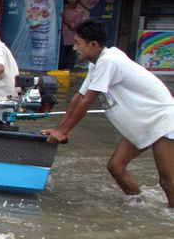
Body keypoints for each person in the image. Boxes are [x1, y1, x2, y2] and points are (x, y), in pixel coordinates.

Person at [42, 18, 174, 207]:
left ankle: (170, 220)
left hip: (162, 121)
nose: (74, 48)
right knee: (116, 167)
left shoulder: (109, 61)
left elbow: (87, 101)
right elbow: (78, 98)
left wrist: (63, 132)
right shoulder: (96, 63)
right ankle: (141, 206)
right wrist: (58, 129)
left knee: (168, 182)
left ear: (94, 44)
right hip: (142, 123)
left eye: (78, 43)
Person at [23, 0, 56, 70]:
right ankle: (35, 70)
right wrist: (32, 23)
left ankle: (42, 70)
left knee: (44, 50)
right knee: (35, 50)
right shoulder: (27, 0)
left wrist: (46, 14)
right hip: (35, 29)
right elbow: (28, 14)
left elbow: (51, 8)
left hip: (45, 27)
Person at [60, 0, 87, 70]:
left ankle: (69, 73)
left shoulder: (79, 11)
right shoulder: (63, 7)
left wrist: (64, 20)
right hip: (61, 37)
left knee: (70, 58)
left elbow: (75, 26)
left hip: (71, 38)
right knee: (61, 58)